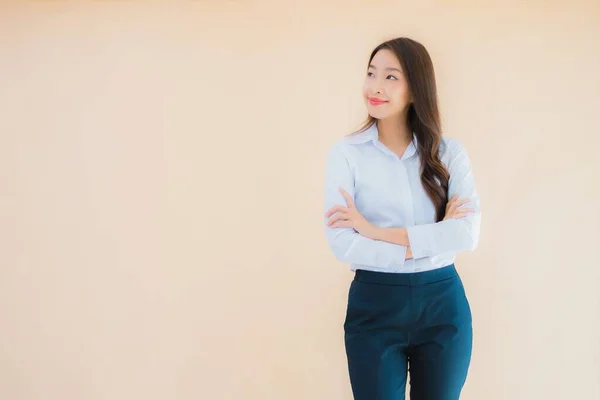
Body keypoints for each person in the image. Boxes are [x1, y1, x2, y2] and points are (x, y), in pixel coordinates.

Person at [323, 37, 482, 400]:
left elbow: (467, 234)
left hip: (443, 305)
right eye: (371, 73)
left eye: (391, 77)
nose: (375, 87)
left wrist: (375, 232)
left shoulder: (449, 153)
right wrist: (430, 238)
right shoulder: (346, 155)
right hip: (374, 304)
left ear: (415, 89)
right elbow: (343, 242)